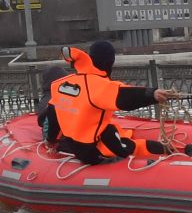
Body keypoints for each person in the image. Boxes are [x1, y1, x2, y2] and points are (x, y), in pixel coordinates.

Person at [45, 39, 180, 165]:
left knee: (112, 131)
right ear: (110, 62)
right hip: (92, 151)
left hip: (72, 144)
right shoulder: (99, 86)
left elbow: (53, 115)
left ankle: (169, 151)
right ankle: (175, 153)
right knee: (130, 145)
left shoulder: (62, 84)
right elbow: (125, 97)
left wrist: (51, 141)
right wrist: (153, 94)